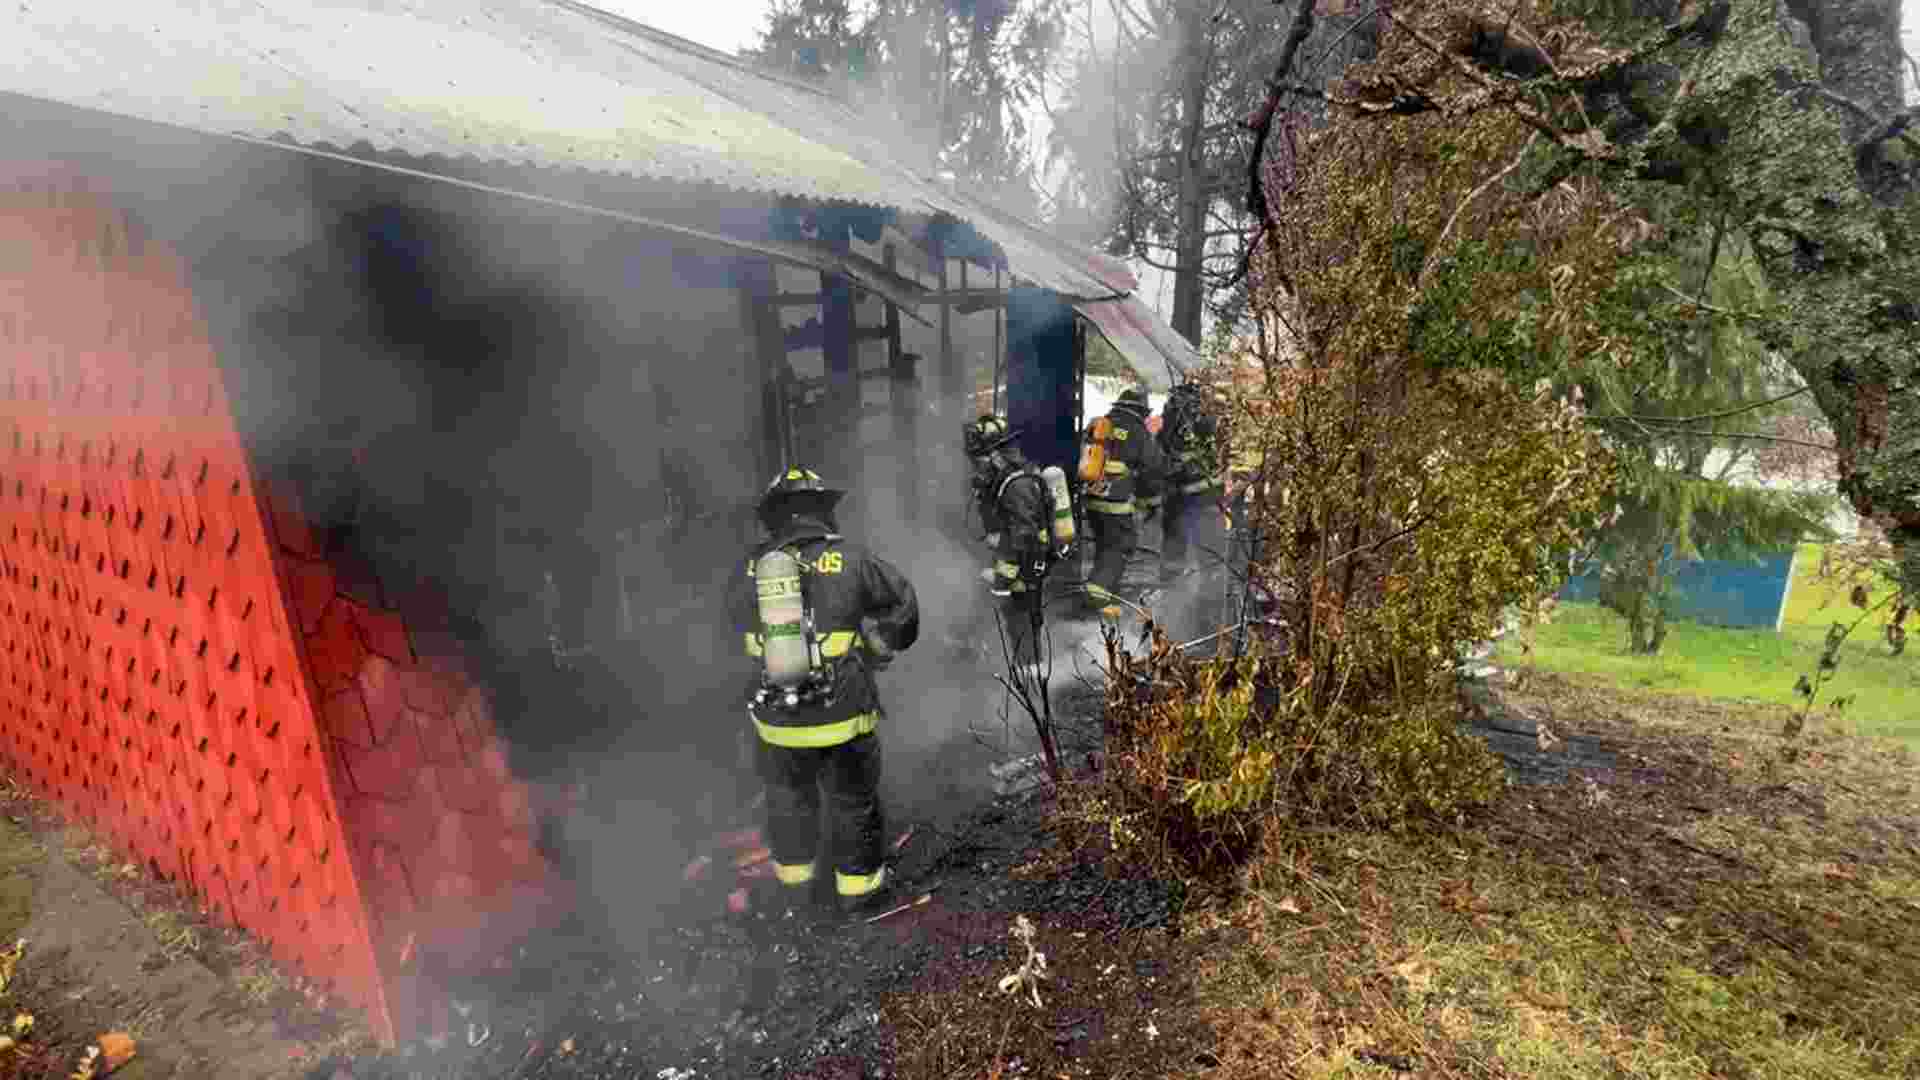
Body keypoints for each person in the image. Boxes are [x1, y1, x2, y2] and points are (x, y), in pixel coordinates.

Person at [730, 467, 920, 914]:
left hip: (777, 718)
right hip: (843, 711)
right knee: (853, 801)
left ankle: (797, 892)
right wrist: (881, 642)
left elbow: (727, 628)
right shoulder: (850, 558)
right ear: (824, 512)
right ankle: (860, 895)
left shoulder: (750, 568)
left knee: (787, 799)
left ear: (774, 518)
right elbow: (905, 604)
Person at [962, 415, 1061, 678]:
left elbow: (1025, 537)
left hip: (1027, 563)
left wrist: (1001, 580)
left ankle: (1030, 686)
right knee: (1011, 616)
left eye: (979, 460)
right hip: (1017, 559)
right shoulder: (1004, 479)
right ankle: (981, 658)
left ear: (994, 455)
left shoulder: (1018, 485)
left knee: (1022, 620)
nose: (975, 466)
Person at [1079, 386, 1165, 620]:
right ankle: (1096, 598)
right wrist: (1151, 502)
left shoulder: (1101, 423)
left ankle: (1103, 591)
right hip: (1116, 503)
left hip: (1092, 499)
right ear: (1140, 410)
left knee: (1105, 545)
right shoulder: (1137, 431)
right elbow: (1152, 469)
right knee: (1120, 546)